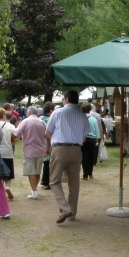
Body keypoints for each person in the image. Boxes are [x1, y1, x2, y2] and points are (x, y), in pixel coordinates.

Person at [45, 90, 90, 224]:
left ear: (66, 99)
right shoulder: (82, 116)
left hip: (60, 148)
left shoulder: (57, 112)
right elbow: (84, 138)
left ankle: (65, 208)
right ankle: (72, 213)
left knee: (54, 180)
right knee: (74, 183)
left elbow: (47, 133)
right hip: (76, 149)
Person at [12, 105, 47, 199]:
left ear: (29, 112)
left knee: (31, 171)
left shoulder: (25, 121)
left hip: (29, 149)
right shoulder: (42, 122)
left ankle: (34, 191)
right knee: (37, 171)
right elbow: (46, 135)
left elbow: (16, 133)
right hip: (40, 149)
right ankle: (34, 190)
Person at [0, 107, 16, 200]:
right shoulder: (10, 126)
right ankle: (7, 186)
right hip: (8, 151)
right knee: (8, 172)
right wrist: (11, 142)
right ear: (4, 115)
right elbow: (16, 137)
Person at [80, 102, 100, 180]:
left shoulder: (80, 118)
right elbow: (96, 131)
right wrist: (97, 140)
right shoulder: (93, 119)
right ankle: (90, 173)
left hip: (83, 139)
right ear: (90, 109)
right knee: (91, 156)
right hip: (92, 139)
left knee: (84, 156)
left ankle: (85, 175)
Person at [40, 102, 55, 190]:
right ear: (50, 110)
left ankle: (44, 180)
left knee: (45, 163)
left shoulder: (40, 118)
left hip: (41, 142)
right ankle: (47, 182)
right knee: (49, 163)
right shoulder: (51, 119)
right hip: (49, 142)